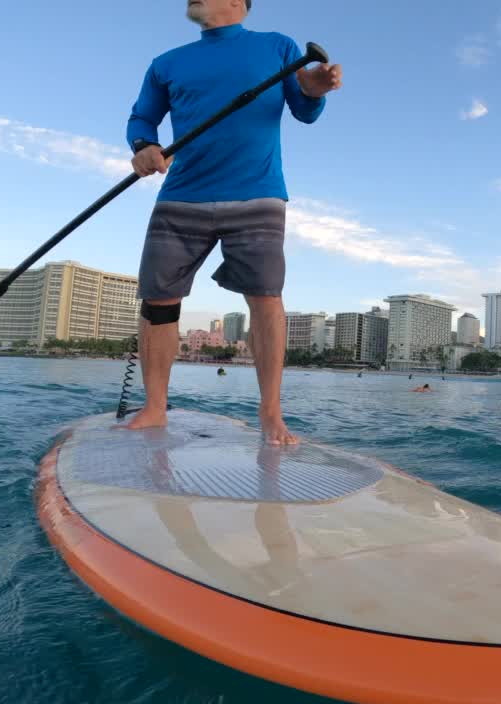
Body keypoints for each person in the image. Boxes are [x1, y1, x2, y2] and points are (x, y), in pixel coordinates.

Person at [121, 0, 342, 444]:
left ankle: (271, 413)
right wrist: (145, 144)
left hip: (257, 192)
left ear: (239, 2)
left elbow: (303, 109)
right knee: (159, 300)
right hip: (182, 194)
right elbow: (142, 117)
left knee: (265, 298)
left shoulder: (278, 47)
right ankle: (155, 406)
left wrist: (314, 90)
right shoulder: (167, 63)